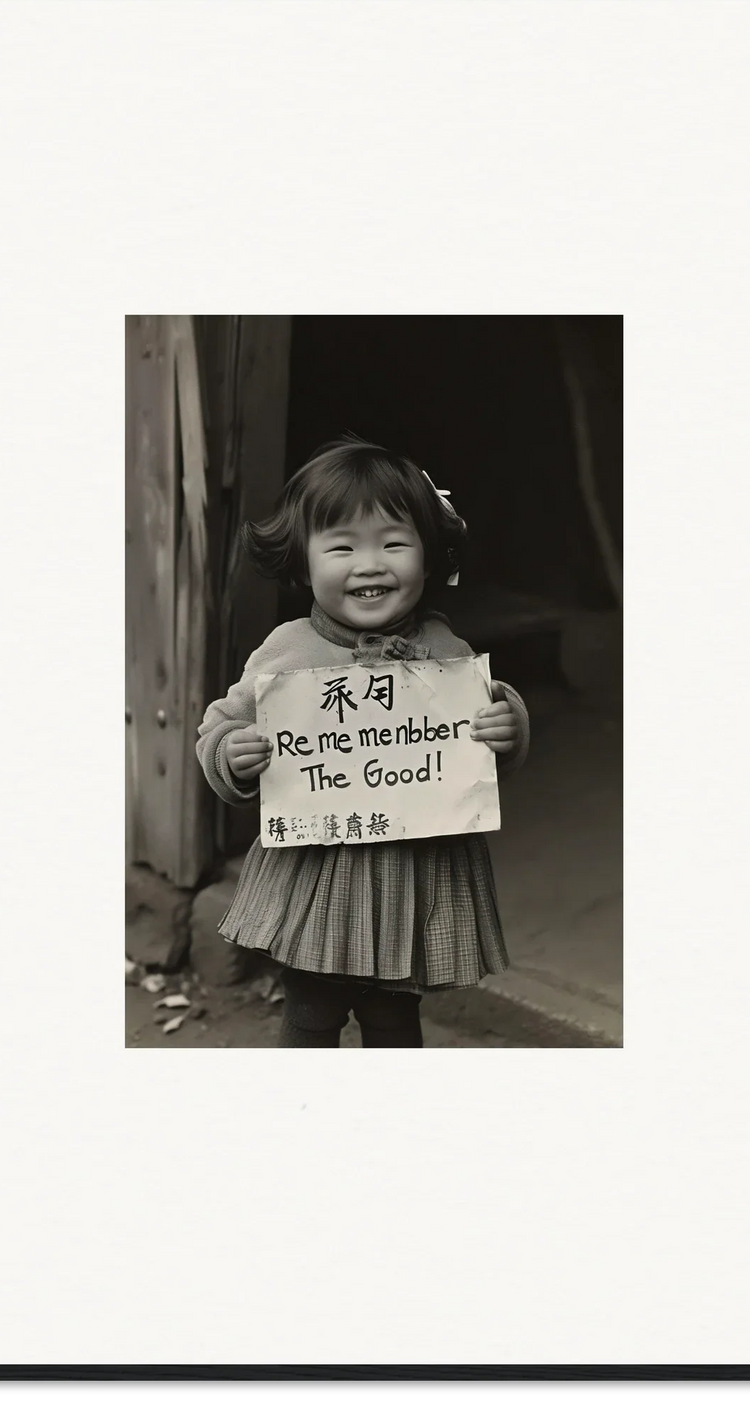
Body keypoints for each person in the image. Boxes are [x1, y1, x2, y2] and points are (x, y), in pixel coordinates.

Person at [195, 435, 530, 1047]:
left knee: (394, 1019)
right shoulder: (286, 652)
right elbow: (220, 723)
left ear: (428, 558)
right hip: (320, 875)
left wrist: (505, 727)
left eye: (394, 543)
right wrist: (232, 753)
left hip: (413, 878)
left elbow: (475, 749)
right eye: (342, 546)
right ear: (303, 563)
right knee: (311, 1012)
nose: (370, 563)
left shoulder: (447, 653)